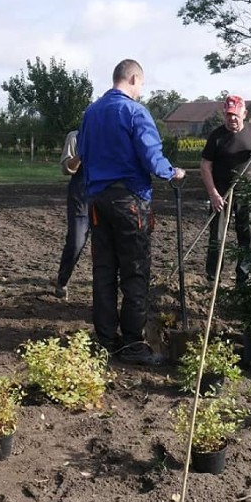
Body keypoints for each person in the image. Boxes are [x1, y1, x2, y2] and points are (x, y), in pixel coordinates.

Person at [78, 59, 186, 366]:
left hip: (97, 201)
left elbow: (83, 154)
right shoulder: (135, 112)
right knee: (135, 272)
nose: (141, 91)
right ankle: (133, 345)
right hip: (129, 202)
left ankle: (105, 342)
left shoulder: (91, 112)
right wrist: (172, 172)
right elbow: (152, 158)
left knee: (103, 272)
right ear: (134, 78)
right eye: (141, 85)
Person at [199, 95, 251, 285]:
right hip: (221, 195)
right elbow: (205, 166)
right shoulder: (217, 136)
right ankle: (213, 279)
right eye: (228, 115)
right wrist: (213, 194)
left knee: (246, 236)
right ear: (224, 115)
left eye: (235, 115)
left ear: (244, 114)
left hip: (247, 193)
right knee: (217, 238)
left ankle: (243, 278)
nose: (232, 119)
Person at [54, 129, 89, 300]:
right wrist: (82, 154)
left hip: (106, 197)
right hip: (81, 197)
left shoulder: (111, 135)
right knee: (76, 243)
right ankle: (62, 281)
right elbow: (66, 168)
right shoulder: (75, 137)